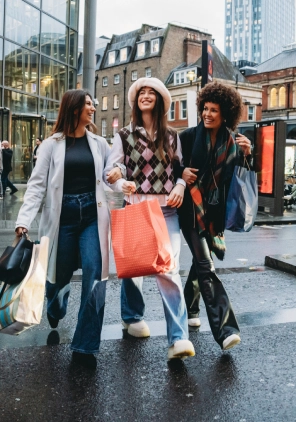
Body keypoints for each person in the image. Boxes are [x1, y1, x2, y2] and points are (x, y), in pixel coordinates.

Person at [15, 89, 118, 369]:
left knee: (95, 276)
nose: (93, 109)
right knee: (57, 278)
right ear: (74, 109)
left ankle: (85, 346)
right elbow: (36, 186)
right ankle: (56, 304)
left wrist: (122, 182)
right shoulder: (51, 145)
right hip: (62, 218)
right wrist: (23, 220)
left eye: (93, 104)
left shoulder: (99, 143)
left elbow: (111, 176)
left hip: (92, 217)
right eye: (88, 104)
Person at [104, 77, 195, 361]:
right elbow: (111, 171)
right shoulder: (123, 136)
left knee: (168, 269)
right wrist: (121, 184)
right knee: (135, 269)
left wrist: (180, 185)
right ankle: (131, 316)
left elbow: (180, 169)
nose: (145, 95)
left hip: (167, 211)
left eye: (150, 92)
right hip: (136, 208)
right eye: (140, 92)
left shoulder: (172, 137)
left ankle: (178, 338)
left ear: (159, 100)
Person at [177, 81, 252, 351]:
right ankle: (225, 329)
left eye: (214, 110)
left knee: (201, 262)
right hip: (190, 209)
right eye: (205, 109)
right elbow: (171, 168)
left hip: (214, 213)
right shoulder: (185, 137)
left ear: (226, 114)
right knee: (206, 264)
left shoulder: (233, 142)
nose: (207, 114)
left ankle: (190, 309)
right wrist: (180, 173)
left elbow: (237, 179)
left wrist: (247, 155)